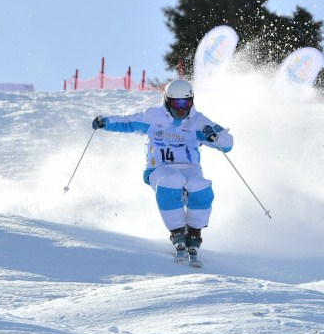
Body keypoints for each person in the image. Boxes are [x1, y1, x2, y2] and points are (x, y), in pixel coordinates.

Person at [92, 79, 233, 267]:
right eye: (176, 103)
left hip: (190, 168)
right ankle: (177, 231)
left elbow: (228, 144)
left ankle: (194, 232)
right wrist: (106, 122)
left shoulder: (198, 120)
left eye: (186, 103)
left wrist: (212, 133)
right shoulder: (154, 116)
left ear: (192, 100)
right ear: (167, 100)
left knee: (202, 186)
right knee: (172, 181)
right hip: (160, 169)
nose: (181, 108)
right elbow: (128, 123)